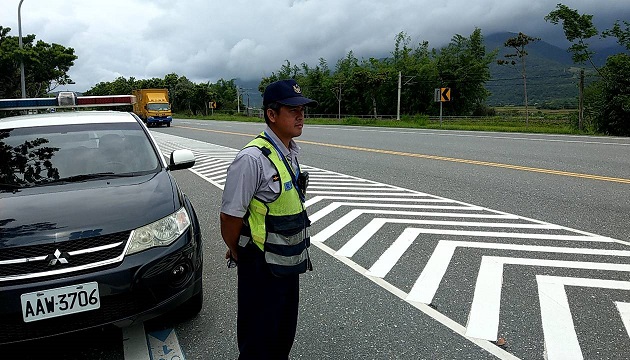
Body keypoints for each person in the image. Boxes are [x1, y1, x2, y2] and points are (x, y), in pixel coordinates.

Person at [220, 79, 318, 360]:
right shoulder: (251, 159)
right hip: (260, 265)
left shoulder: (288, 152)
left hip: (288, 261)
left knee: (282, 337)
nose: (300, 116)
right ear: (271, 115)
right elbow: (229, 215)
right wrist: (238, 248)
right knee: (258, 341)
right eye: (292, 109)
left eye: (302, 109)